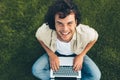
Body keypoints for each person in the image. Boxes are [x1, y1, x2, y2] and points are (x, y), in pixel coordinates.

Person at [32, 0, 101, 80]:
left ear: (76, 22)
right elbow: (39, 37)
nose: (65, 29)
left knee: (96, 76)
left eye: (69, 23)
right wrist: (51, 54)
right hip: (56, 53)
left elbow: (94, 38)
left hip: (76, 53)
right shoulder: (45, 31)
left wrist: (81, 55)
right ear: (53, 23)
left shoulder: (86, 32)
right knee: (36, 70)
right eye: (60, 23)